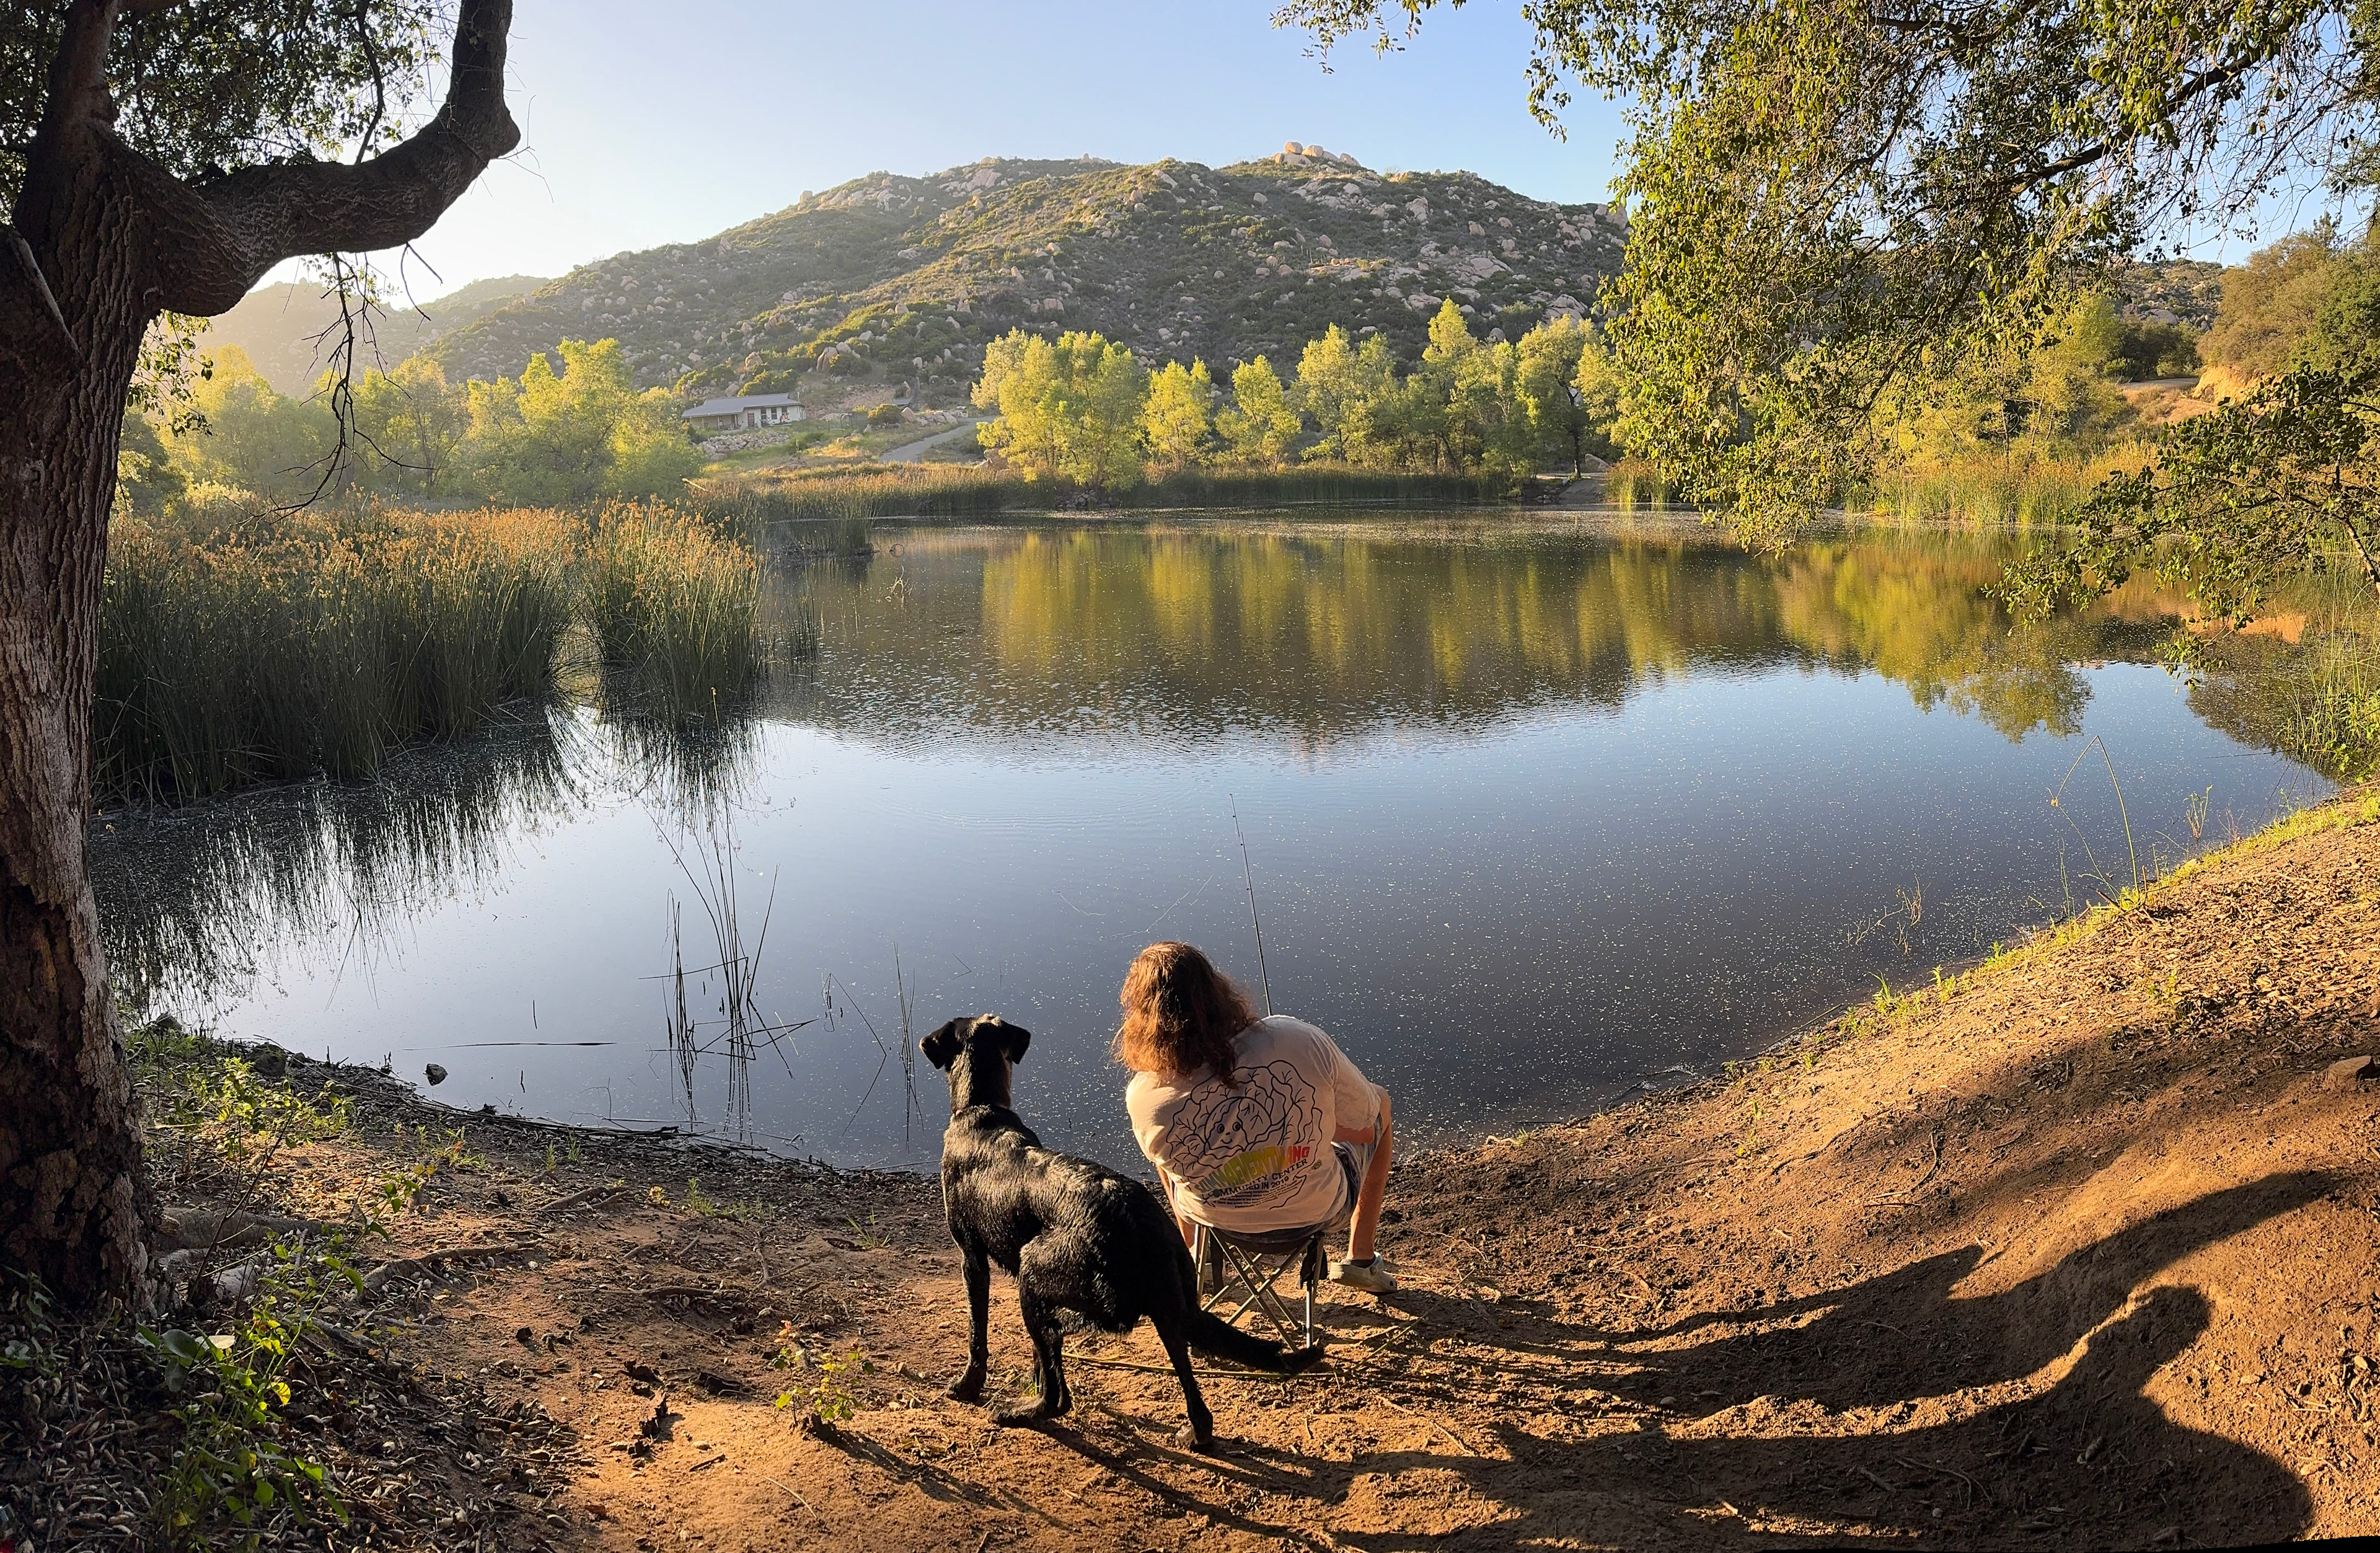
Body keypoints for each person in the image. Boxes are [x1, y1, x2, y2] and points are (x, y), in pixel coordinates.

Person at [1114, 940, 1395, 1293]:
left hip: (1215, 1221)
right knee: (1380, 1101)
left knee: (1166, 1155)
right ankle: (1361, 1260)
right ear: (1218, 990)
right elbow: (1366, 1129)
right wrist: (1316, 1128)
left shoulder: (1144, 1096)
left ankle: (1193, 1256)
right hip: (1318, 1213)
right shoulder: (1297, 1039)